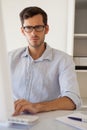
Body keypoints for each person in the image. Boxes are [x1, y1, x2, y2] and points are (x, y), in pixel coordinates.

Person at [9, 6, 81, 115]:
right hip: (13, 119)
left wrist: (36, 107)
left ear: (46, 29)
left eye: (38, 27)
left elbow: (73, 100)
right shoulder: (8, 58)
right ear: (23, 31)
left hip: (47, 122)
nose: (33, 33)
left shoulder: (64, 60)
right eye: (28, 28)